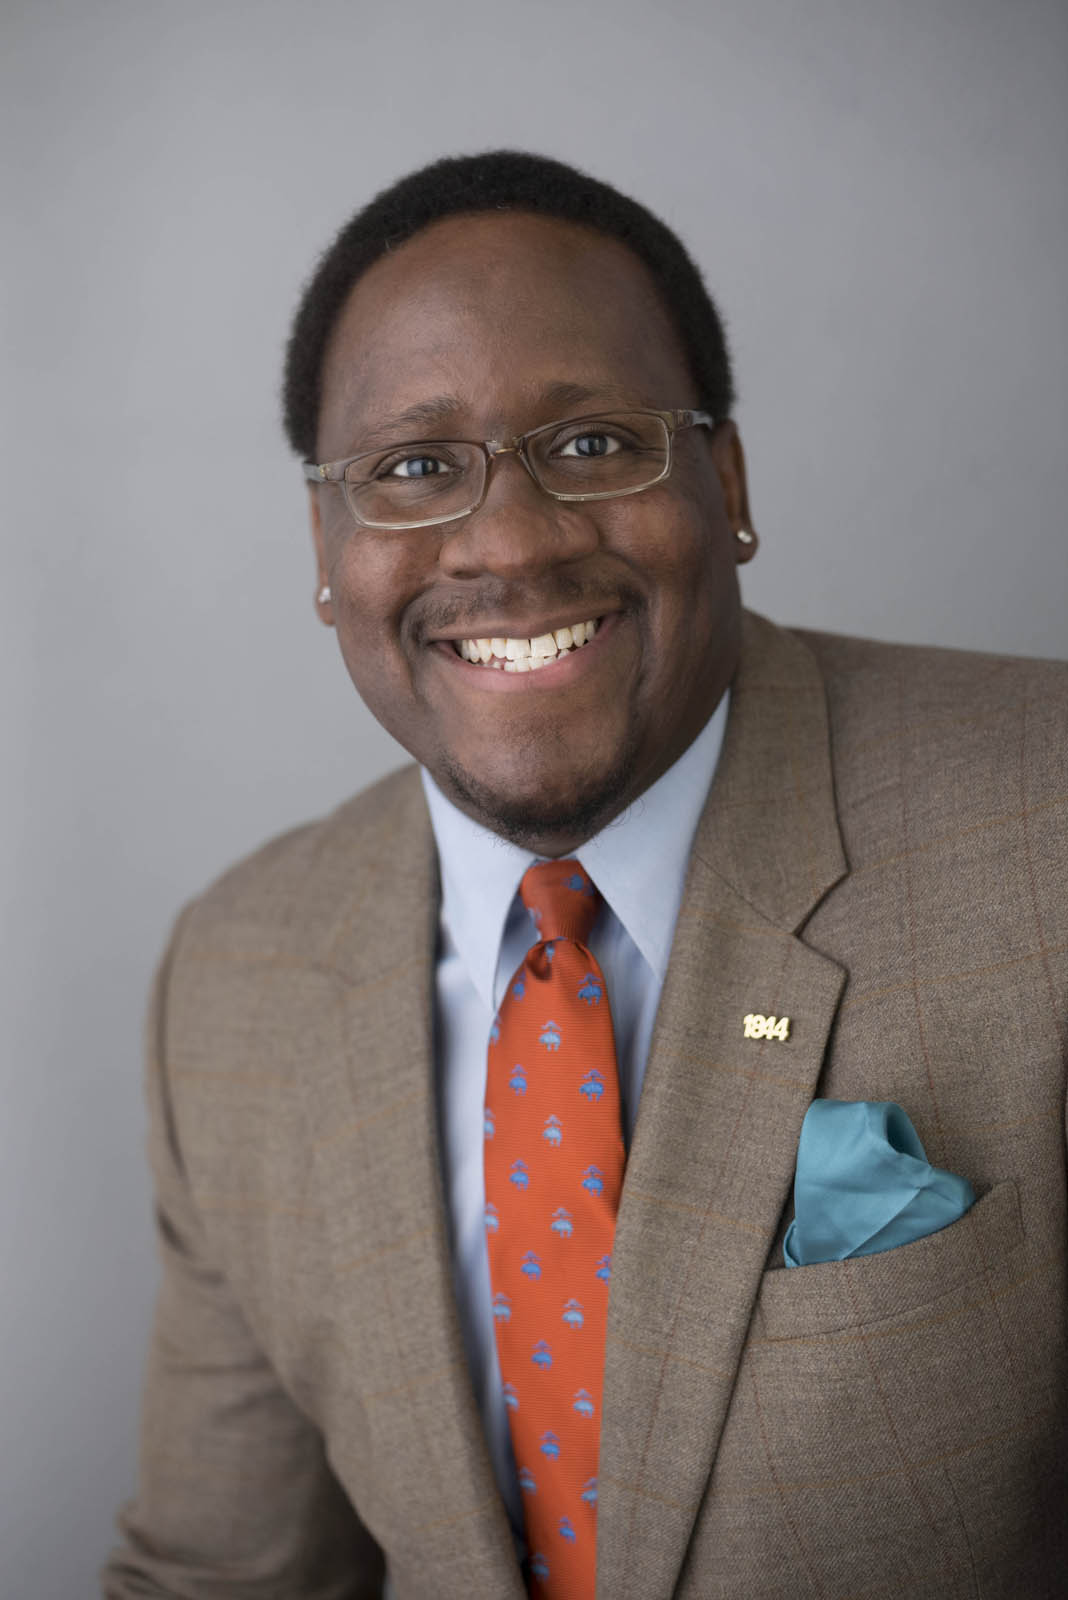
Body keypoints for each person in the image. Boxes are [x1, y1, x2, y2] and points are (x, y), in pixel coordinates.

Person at [102, 151, 1067, 1599]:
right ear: (328, 547)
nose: (506, 542)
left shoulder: (1045, 827)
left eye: (597, 442)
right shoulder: (235, 985)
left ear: (725, 484)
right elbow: (219, 1578)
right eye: (414, 469)